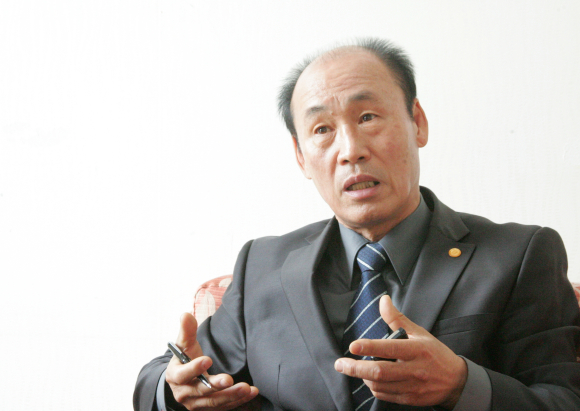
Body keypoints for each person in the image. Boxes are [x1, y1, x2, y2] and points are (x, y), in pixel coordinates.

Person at [134, 38, 580, 411]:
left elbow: (564, 398)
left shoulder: (519, 255)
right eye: (322, 130)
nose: (350, 150)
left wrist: (462, 384)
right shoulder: (263, 264)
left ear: (417, 123)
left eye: (367, 117)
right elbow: (167, 376)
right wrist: (173, 387)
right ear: (300, 156)